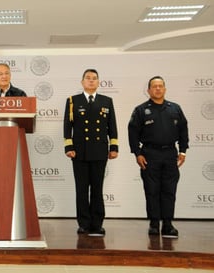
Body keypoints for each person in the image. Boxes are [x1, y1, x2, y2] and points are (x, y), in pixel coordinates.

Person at [128, 76, 189, 239]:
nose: (157, 89)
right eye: (154, 86)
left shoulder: (174, 108)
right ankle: (154, 223)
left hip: (170, 154)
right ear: (148, 90)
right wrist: (137, 153)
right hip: (149, 154)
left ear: (165, 89)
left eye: (160, 86)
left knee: (169, 190)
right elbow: (132, 133)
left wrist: (183, 151)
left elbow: (183, 130)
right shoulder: (141, 110)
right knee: (152, 190)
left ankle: (168, 224)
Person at [63, 69, 118, 237]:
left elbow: (112, 126)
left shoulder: (106, 101)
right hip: (79, 152)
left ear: (98, 82)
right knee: (81, 189)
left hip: (100, 151)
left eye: (94, 78)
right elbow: (67, 126)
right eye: (88, 78)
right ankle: (84, 224)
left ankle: (97, 223)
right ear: (82, 82)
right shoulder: (73, 101)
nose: (91, 81)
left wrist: (113, 147)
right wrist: (68, 147)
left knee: (97, 189)